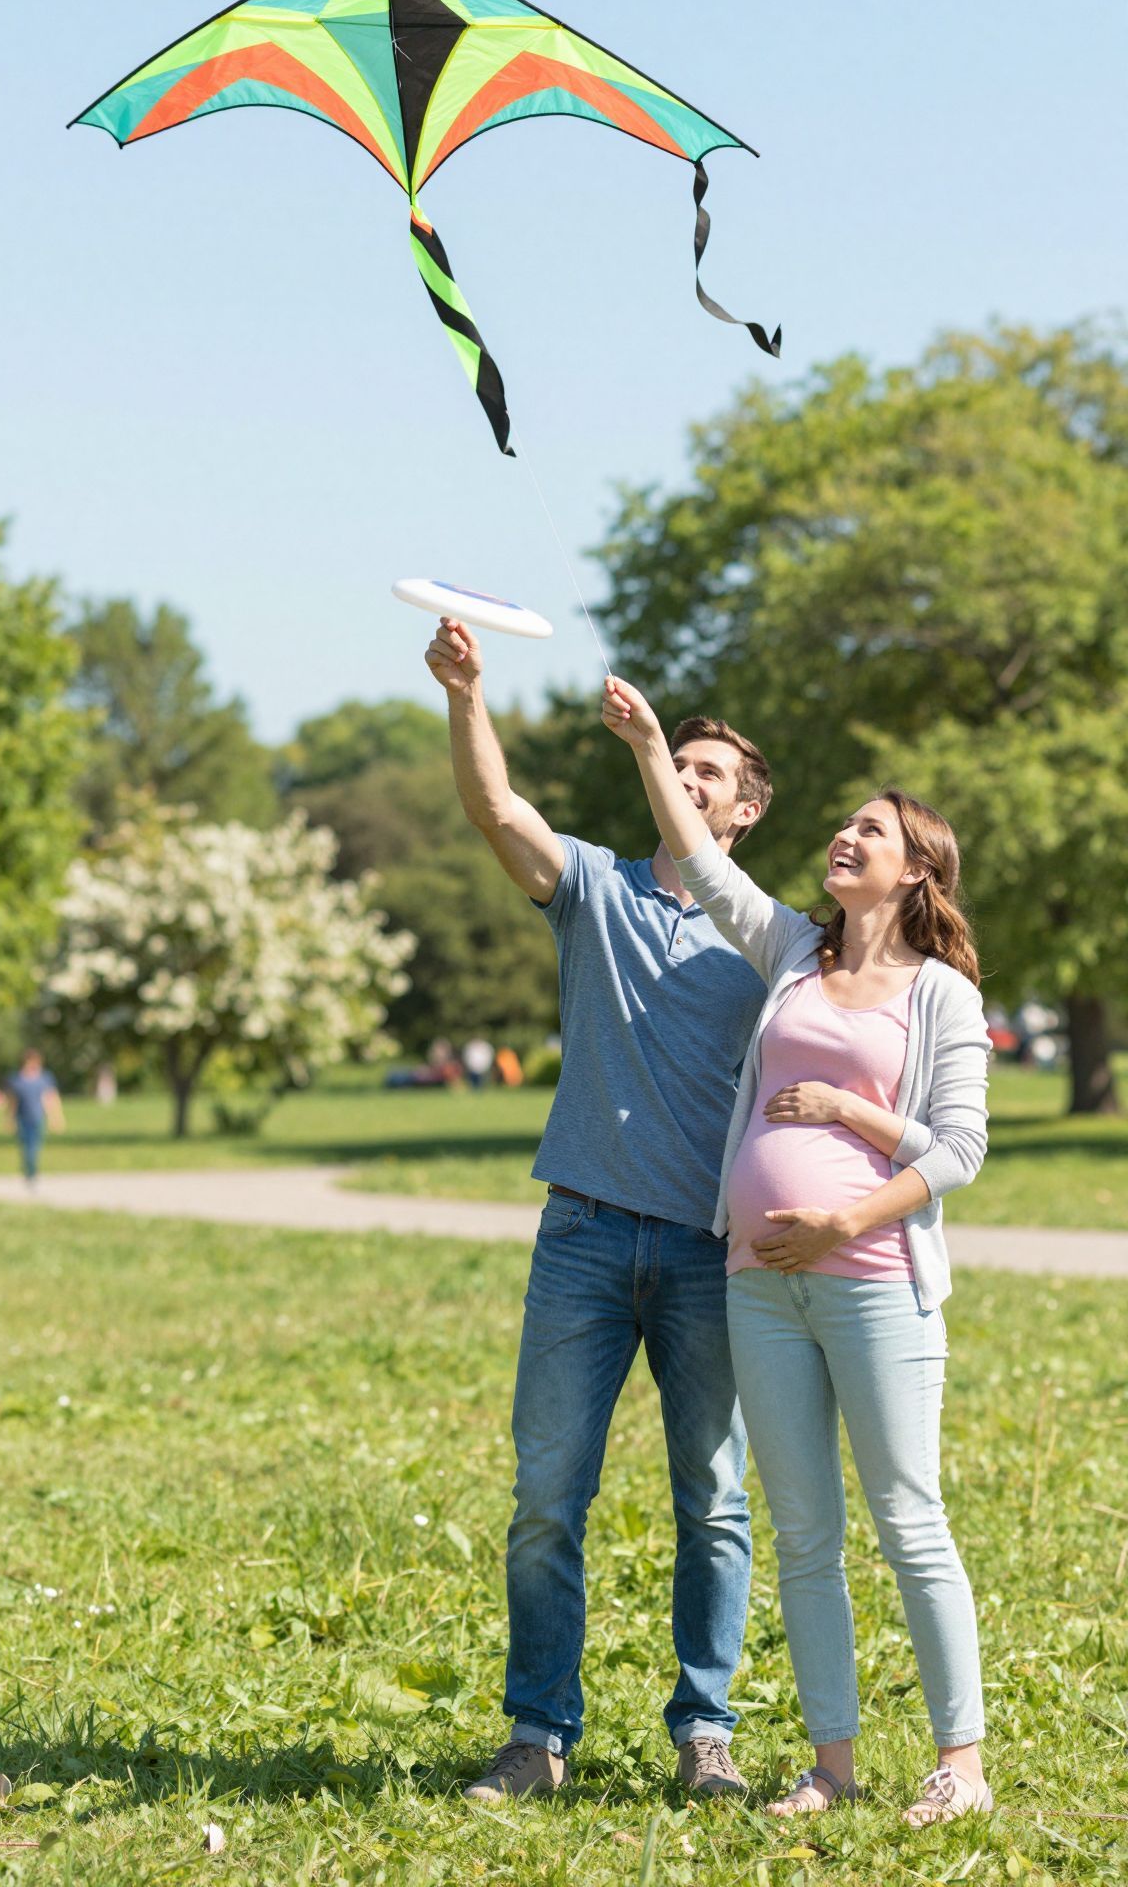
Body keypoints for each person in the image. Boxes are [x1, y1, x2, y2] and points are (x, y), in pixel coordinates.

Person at [602, 673, 992, 1827]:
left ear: (916, 868)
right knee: (805, 1532)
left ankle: (960, 1763)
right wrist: (643, 750)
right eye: (846, 822)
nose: (845, 832)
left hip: (874, 1280)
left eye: (869, 829)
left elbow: (960, 1148)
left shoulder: (940, 995)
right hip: (759, 1287)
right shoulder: (787, 954)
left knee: (909, 1519)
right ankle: (832, 1759)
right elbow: (709, 866)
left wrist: (850, 1185)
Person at [425, 618, 773, 1803]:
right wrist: (468, 694)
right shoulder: (597, 888)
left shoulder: (769, 942)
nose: (685, 774)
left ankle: (706, 1729)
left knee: (714, 1501)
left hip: (703, 1253)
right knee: (543, 1499)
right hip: (580, 1236)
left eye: (709, 772)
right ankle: (538, 1732)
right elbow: (497, 811)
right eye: (680, 762)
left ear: (744, 814)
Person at [5, 1050, 65, 1190]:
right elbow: (13, 1101)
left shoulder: (44, 1078)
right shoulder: (17, 1079)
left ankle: (32, 1174)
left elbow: (50, 1098)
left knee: (34, 1147)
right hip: (22, 1118)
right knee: (25, 1147)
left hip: (38, 1117)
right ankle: (29, 1172)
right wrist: (9, 1119)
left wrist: (56, 1117)